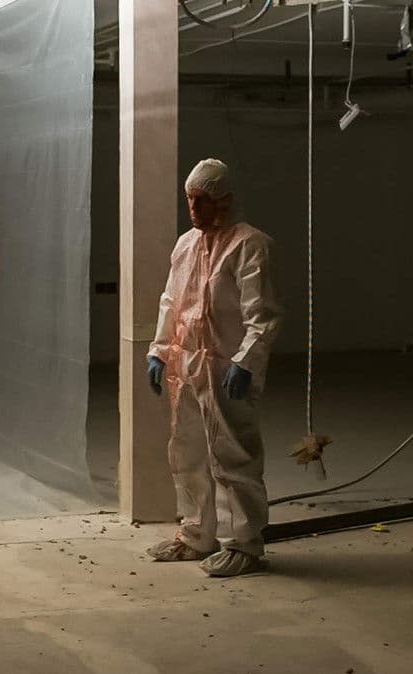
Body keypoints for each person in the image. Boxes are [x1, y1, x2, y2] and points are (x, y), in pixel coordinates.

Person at [145, 158, 282, 578]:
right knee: (187, 451)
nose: (193, 207)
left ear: (224, 200)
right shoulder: (186, 244)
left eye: (202, 199)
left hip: (225, 368)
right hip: (186, 365)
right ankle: (195, 534)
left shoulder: (249, 245)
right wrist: (159, 350)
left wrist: (246, 361)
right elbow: (172, 301)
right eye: (190, 199)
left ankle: (243, 544)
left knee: (232, 454)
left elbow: (262, 314)